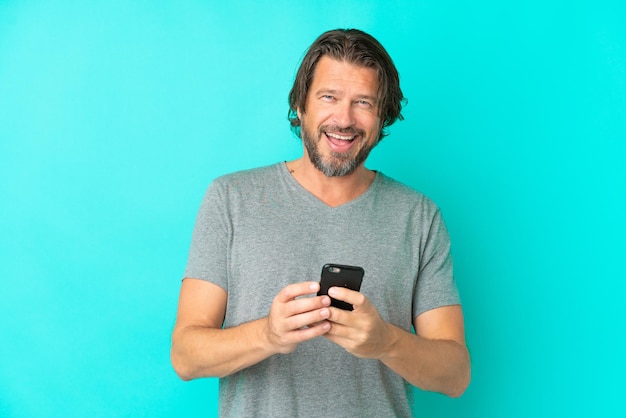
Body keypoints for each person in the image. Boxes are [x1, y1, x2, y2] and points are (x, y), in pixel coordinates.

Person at [171, 28, 470, 417]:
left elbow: (455, 375)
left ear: (383, 116)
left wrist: (385, 342)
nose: (343, 119)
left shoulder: (419, 216)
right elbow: (185, 356)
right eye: (328, 97)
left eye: (363, 102)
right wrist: (268, 334)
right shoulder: (231, 199)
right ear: (301, 105)